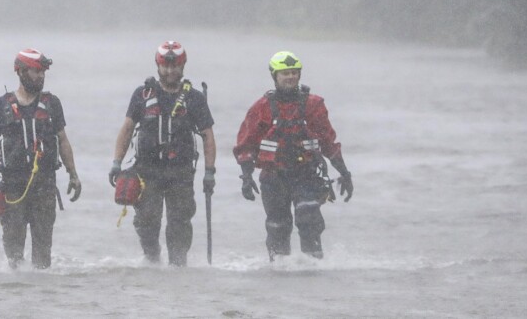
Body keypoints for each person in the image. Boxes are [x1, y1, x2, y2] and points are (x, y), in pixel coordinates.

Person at [0, 48, 83, 269]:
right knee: (14, 253)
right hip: (13, 188)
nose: (40, 76)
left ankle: (40, 296)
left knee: (42, 253)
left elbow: (63, 140)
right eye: (35, 71)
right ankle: (17, 294)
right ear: (20, 72)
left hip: (45, 186)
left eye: (42, 72)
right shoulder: (2, 105)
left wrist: (73, 175)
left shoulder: (52, 104)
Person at [233, 50, 352, 260]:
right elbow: (245, 145)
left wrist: (344, 172)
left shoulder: (313, 105)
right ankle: (279, 272)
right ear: (274, 76)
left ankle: (313, 268)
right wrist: (246, 176)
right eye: (285, 73)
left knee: (309, 218)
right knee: (277, 226)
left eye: (294, 73)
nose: (290, 77)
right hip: (273, 177)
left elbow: (328, 141)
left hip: (306, 174)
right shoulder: (261, 108)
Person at [110, 40, 216, 266]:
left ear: (183, 66)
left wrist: (209, 172)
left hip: (181, 172)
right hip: (147, 171)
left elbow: (208, 136)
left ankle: (178, 266)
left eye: (175, 66)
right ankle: (152, 260)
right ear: (158, 66)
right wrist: (116, 163)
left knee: (180, 221)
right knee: (147, 220)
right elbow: (127, 129)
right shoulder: (142, 94)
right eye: (165, 66)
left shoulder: (195, 99)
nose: (170, 70)